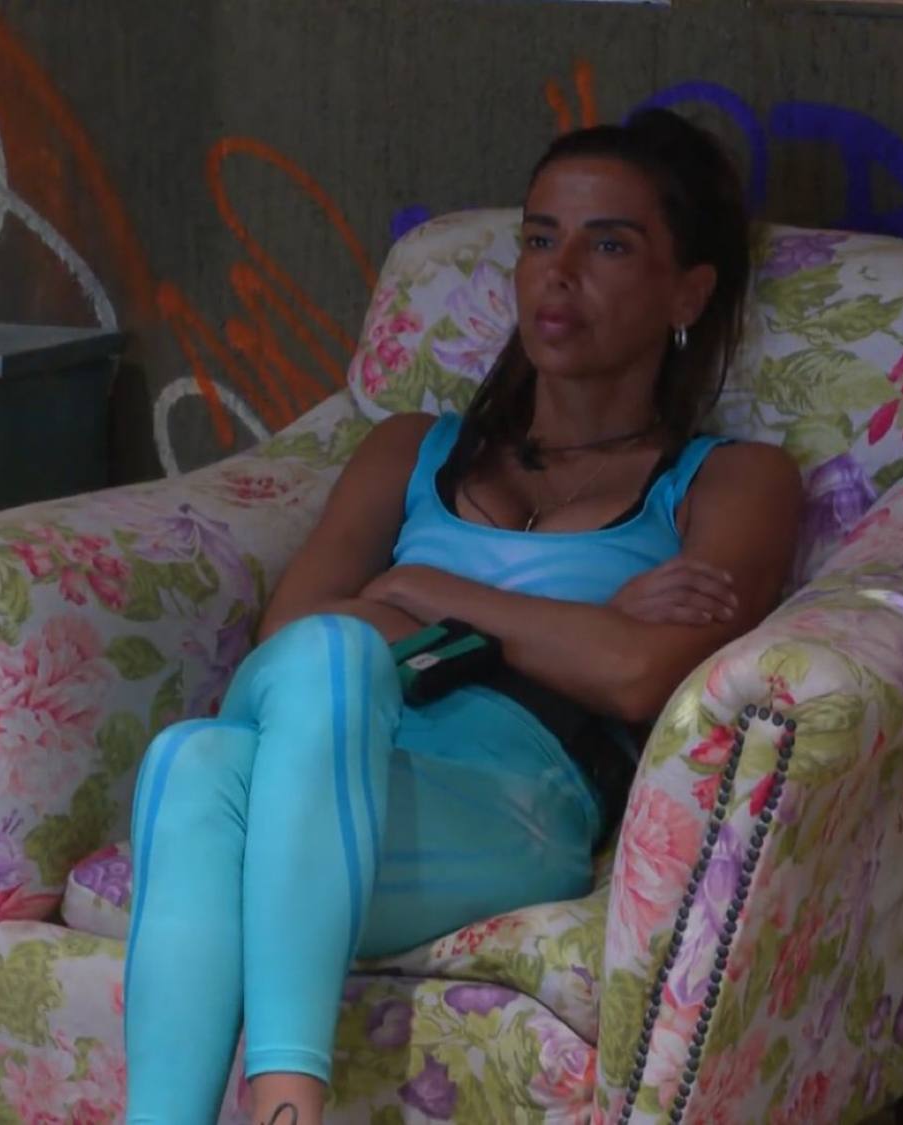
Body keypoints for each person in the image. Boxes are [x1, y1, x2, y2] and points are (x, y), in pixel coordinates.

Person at [121, 108, 805, 1125]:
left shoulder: (728, 479)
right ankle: (283, 1107)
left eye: (608, 245)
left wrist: (424, 592)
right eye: (539, 237)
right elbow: (288, 640)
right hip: (336, 763)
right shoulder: (411, 448)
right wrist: (571, 624)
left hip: (516, 801)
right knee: (213, 744)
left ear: (687, 292)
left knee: (215, 756)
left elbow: (634, 676)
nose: (557, 273)